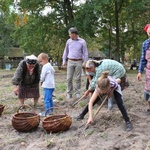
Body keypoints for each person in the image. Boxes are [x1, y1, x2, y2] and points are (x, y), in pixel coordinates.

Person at [62, 27, 88, 99]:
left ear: (74, 34)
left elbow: (85, 52)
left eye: (70, 34)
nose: (69, 35)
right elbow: (66, 51)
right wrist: (64, 60)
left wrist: (85, 62)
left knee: (78, 78)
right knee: (69, 78)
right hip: (70, 61)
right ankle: (69, 93)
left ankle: (77, 93)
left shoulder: (82, 42)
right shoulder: (68, 41)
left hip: (79, 61)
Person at [137, 24, 150, 115]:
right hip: (149, 71)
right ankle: (149, 108)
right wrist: (139, 71)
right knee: (148, 90)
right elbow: (143, 59)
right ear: (147, 33)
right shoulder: (145, 44)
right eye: (149, 33)